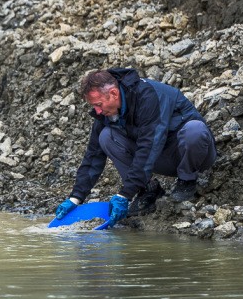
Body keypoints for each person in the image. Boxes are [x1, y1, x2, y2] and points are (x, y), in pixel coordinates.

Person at [54, 68, 217, 228]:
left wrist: (125, 194)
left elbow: (149, 146)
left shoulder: (149, 97)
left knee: (195, 130)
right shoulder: (108, 111)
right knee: (106, 136)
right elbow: (93, 155)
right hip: (160, 158)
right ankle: (147, 190)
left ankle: (187, 181)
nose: (96, 111)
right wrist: (75, 198)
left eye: (98, 104)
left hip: (193, 154)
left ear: (113, 94)